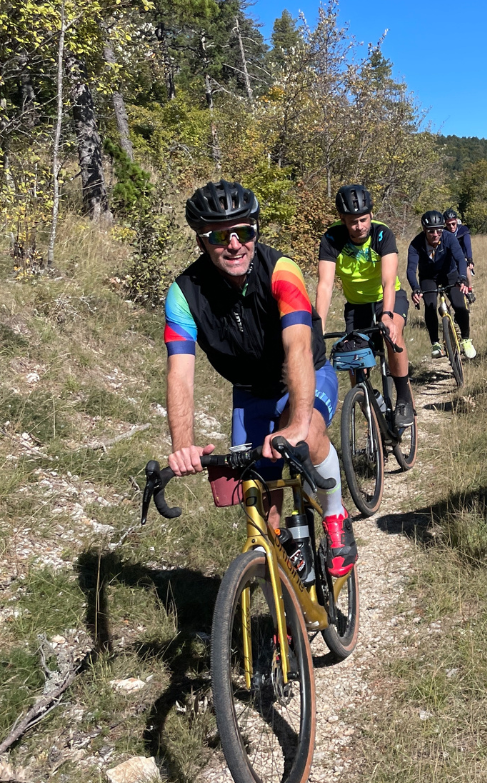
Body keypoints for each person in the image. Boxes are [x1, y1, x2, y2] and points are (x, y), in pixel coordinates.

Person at [164, 178, 356, 578]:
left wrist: (298, 423)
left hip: (305, 373)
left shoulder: (282, 271)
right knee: (262, 512)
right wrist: (183, 446)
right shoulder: (183, 294)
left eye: (244, 232)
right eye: (219, 236)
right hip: (250, 392)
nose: (235, 244)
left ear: (256, 231)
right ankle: (283, 585)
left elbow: (298, 347)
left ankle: (335, 514)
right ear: (201, 242)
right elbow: (179, 373)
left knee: (308, 432)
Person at [315, 184, 415, 428]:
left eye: (363, 219)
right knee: (353, 360)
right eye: (352, 222)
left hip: (387, 299)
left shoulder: (382, 234)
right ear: (342, 220)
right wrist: (317, 328)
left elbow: (388, 281)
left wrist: (387, 315)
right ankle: (371, 401)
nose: (359, 226)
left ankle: (404, 399)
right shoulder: (331, 238)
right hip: (357, 305)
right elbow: (325, 286)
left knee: (393, 335)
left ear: (371, 215)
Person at [407, 210, 475, 359]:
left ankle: (466, 339)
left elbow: (459, 258)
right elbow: (411, 269)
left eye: (439, 230)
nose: (436, 234)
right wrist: (415, 288)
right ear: (424, 230)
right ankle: (435, 343)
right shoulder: (416, 244)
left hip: (449, 274)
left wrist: (462, 278)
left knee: (459, 306)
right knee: (430, 306)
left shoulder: (448, 237)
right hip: (428, 277)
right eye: (431, 231)